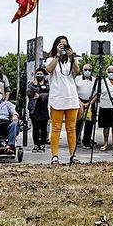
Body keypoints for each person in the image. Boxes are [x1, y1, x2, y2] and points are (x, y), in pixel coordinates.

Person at [45, 36, 80, 164]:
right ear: (56, 46)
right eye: (60, 45)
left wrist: (72, 58)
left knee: (71, 128)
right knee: (56, 128)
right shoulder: (50, 59)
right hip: (57, 98)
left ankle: (73, 155)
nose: (63, 47)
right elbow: (49, 69)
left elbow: (77, 72)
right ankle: (55, 156)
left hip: (71, 98)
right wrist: (58, 55)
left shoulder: (71, 60)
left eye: (65, 45)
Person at [26, 67, 50, 152]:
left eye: (41, 74)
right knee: (35, 128)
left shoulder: (48, 84)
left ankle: (42, 144)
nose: (39, 75)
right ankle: (36, 144)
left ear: (44, 75)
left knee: (43, 128)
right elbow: (29, 93)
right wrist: (35, 86)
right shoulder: (32, 84)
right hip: (34, 108)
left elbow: (49, 94)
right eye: (38, 74)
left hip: (44, 108)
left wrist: (40, 96)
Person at [75, 63, 96, 148]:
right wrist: (80, 102)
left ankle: (86, 142)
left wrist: (89, 103)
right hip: (79, 101)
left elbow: (96, 94)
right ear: (82, 70)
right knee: (78, 122)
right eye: (85, 69)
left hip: (90, 102)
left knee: (89, 123)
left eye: (89, 70)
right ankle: (76, 140)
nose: (87, 71)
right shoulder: (77, 79)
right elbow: (74, 91)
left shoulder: (94, 80)